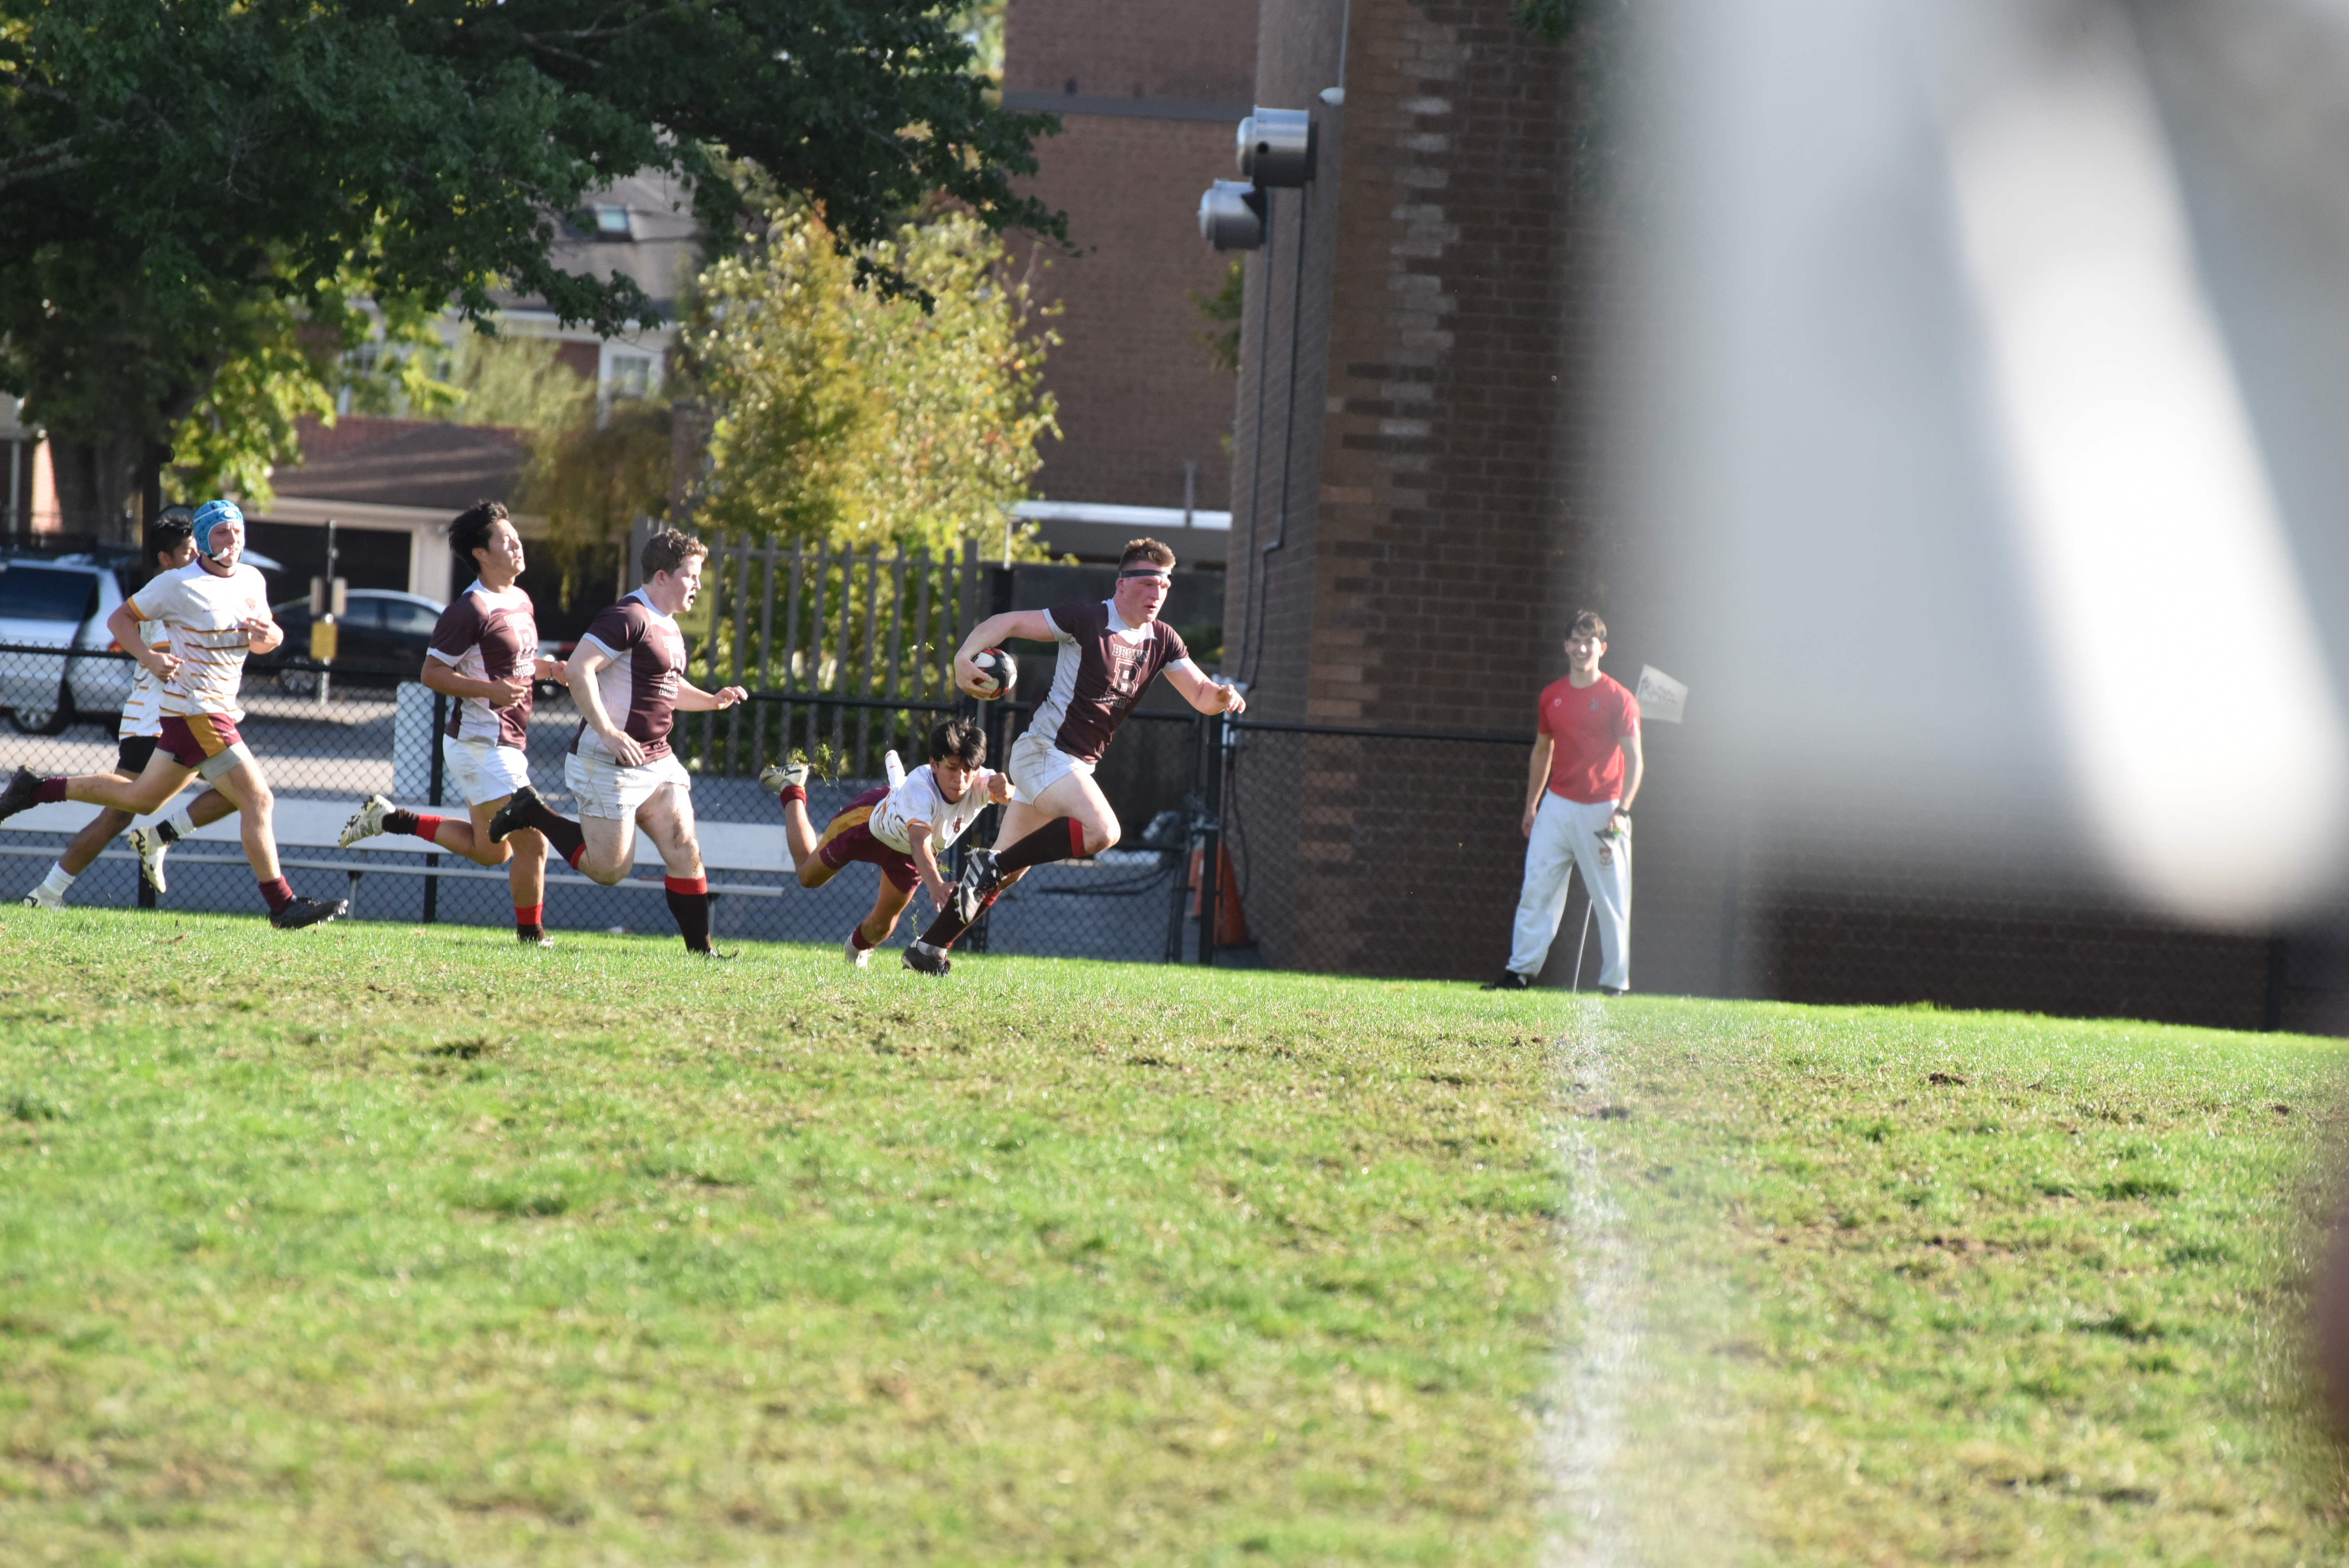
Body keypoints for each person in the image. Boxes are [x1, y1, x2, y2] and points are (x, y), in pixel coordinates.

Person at [902, 536, 1246, 976]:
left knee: (1003, 877)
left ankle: (928, 949)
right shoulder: (1087, 619)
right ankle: (990, 864)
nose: (1156, 594)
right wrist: (962, 657)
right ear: (1122, 584)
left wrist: (1223, 696)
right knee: (1103, 831)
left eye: (1165, 586)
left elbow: (1201, 695)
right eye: (1148, 583)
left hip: (1071, 766)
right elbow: (1007, 621)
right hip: (1043, 752)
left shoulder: (1162, 639)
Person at [0, 499, 346, 929]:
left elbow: (264, 637)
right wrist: (148, 656)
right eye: (221, 532)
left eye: (237, 530)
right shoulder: (177, 584)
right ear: (202, 540)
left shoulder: (252, 579)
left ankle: (37, 789)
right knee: (258, 798)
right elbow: (120, 618)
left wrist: (272, 636)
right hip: (196, 710)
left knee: (138, 798)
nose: (232, 539)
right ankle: (282, 905)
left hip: (209, 711)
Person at [485, 527, 746, 954]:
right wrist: (607, 731)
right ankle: (532, 810)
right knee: (610, 870)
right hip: (607, 762)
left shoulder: (670, 626)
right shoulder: (628, 616)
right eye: (691, 575)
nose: (698, 584)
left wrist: (712, 700)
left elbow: (668, 689)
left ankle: (703, 953)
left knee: (684, 846)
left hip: (657, 760)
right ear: (661, 576)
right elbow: (579, 669)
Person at [335, 501, 568, 943]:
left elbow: (512, 664)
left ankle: (392, 819)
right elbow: (432, 673)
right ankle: (532, 937)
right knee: (533, 842)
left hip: (506, 743)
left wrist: (548, 668)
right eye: (506, 539)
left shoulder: (520, 599)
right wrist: (491, 692)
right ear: (481, 553)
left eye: (516, 536)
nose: (517, 544)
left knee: (491, 852)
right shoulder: (470, 609)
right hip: (481, 744)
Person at [18, 510, 238, 907]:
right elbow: (156, 645)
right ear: (165, 559)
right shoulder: (169, 590)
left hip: (179, 719)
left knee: (236, 791)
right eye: (189, 551)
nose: (197, 556)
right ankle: (44, 801)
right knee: (137, 808)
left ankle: (48, 891)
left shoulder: (196, 586)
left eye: (198, 548)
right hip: (155, 723)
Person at [760, 718, 1011, 967]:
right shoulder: (920, 787)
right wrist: (936, 884)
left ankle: (856, 950)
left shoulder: (982, 782)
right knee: (808, 876)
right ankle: (792, 788)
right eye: (952, 767)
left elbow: (1022, 803)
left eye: (968, 770)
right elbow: (919, 843)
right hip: (868, 824)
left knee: (883, 926)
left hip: (908, 852)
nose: (961, 779)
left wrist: (1009, 791)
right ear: (934, 764)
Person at [1485, 610, 1643, 994]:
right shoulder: (1551, 696)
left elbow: (1635, 759)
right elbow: (1542, 752)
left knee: (1611, 898)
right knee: (1537, 889)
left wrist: (1622, 811)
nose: (1581, 648)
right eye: (1575, 640)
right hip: (1556, 806)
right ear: (1566, 645)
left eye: (1589, 641)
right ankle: (1518, 973)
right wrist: (1531, 806)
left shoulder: (1619, 698)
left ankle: (1614, 983)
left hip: (1603, 809)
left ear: (1602, 648)